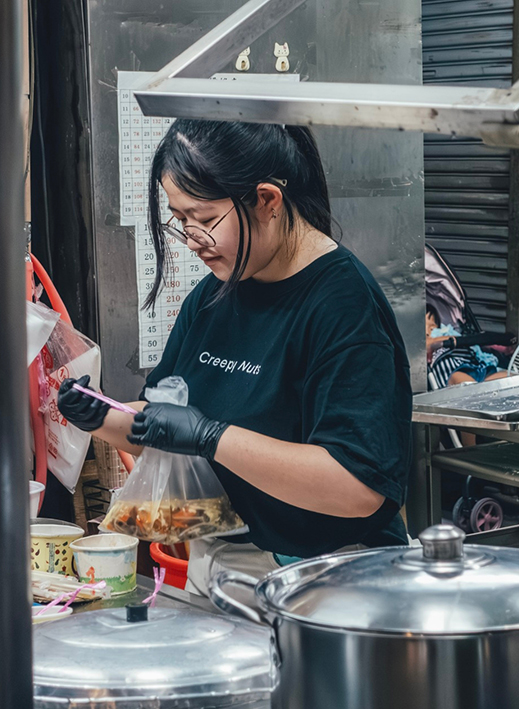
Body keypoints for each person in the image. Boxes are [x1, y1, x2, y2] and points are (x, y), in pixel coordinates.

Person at [59, 120, 411, 594]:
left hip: (330, 582)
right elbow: (162, 426)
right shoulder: (213, 297)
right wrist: (104, 416)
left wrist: (209, 436)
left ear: (267, 200)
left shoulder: (343, 305)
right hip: (223, 566)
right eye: (180, 219)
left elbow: (357, 488)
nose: (191, 239)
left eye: (204, 219)